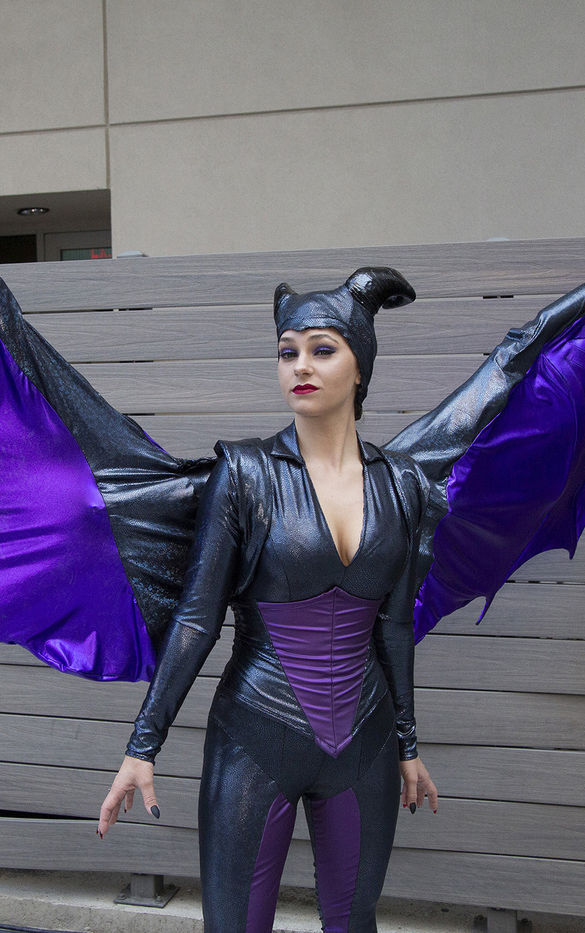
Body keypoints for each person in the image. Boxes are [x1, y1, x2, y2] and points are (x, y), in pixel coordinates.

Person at [98, 268, 438, 933]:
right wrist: (143, 745)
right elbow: (197, 619)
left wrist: (406, 742)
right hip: (255, 737)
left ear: (361, 368)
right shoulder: (244, 473)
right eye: (288, 351)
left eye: (322, 349)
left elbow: (395, 626)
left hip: (365, 742)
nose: (300, 366)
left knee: (355, 922)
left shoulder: (402, 486)